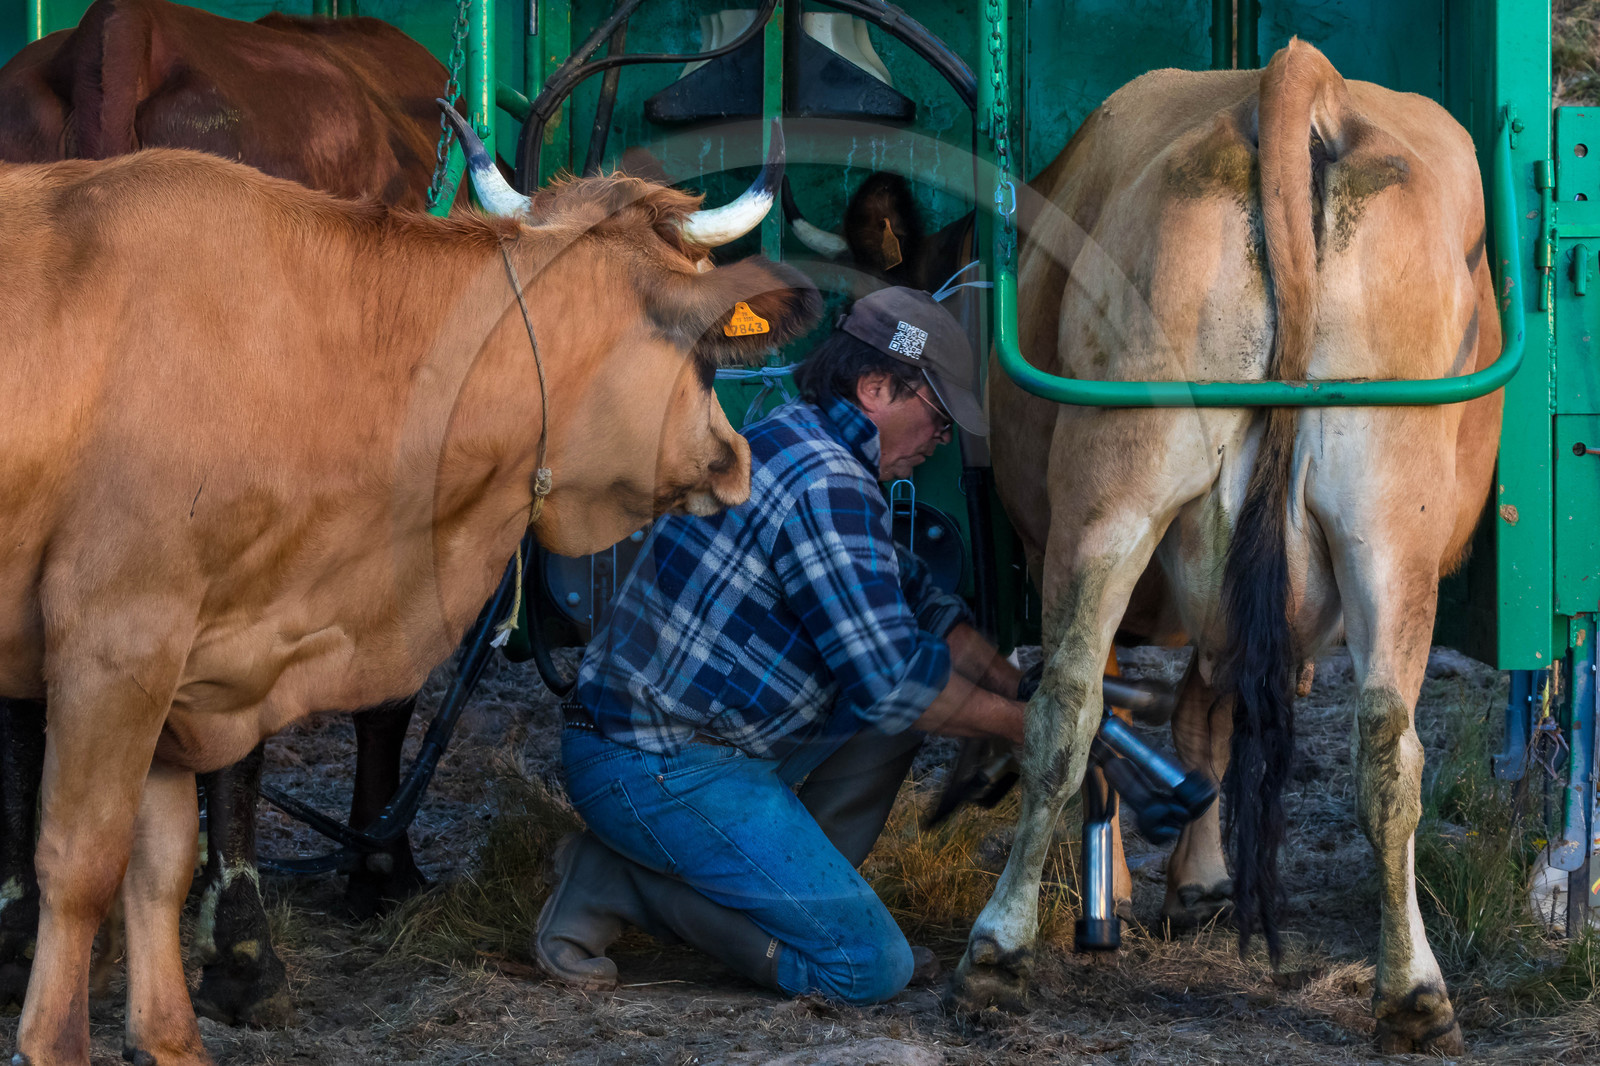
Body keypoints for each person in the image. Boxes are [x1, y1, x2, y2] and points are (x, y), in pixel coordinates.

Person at [536, 286, 1027, 1005]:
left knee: (894, 717)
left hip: (700, 741)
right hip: (654, 761)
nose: (940, 442)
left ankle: (782, 890)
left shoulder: (801, 436)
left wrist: (1008, 683)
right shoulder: (829, 482)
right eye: (938, 418)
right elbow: (891, 680)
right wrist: (1025, 726)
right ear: (877, 388)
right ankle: (618, 883)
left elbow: (914, 595)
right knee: (866, 970)